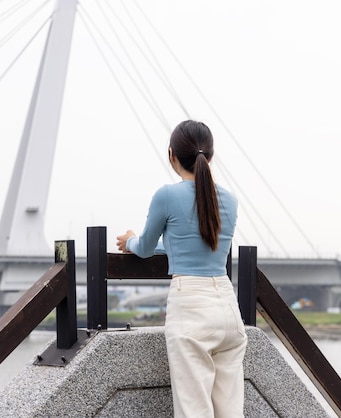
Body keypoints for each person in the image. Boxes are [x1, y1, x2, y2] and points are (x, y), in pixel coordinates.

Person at [116, 120, 247, 417]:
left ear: (171, 155)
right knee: (231, 412)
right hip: (227, 305)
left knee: (194, 411)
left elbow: (146, 248)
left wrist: (130, 241)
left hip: (191, 306)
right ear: (210, 156)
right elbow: (200, 246)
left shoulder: (167, 196)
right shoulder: (230, 200)